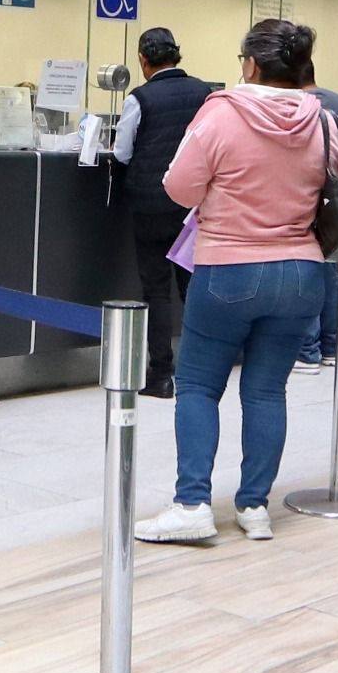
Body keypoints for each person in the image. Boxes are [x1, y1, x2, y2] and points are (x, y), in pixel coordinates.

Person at [133, 20, 338, 544]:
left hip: (228, 268)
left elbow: (179, 187)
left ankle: (192, 503)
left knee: (198, 386)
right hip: (301, 272)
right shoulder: (323, 119)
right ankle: (255, 506)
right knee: (266, 390)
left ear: (251, 65)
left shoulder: (222, 113)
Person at [113, 27, 212, 398]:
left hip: (151, 205)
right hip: (192, 207)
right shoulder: (205, 93)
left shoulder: (139, 98)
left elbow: (122, 153)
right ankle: (198, 369)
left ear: (143, 60)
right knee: (192, 288)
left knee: (156, 291)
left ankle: (161, 375)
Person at [294, 61, 338, 375]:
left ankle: (307, 350)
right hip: (335, 203)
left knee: (306, 275)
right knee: (330, 271)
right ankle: (332, 347)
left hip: (302, 199)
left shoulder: (296, 106)